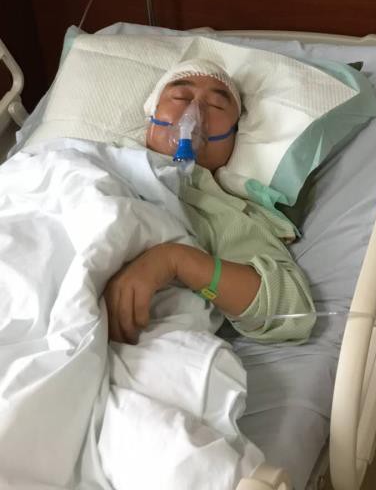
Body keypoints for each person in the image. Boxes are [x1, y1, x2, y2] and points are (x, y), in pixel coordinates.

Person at [103, 60, 316, 346]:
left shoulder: (228, 213)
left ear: (234, 136)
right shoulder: (97, 159)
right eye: (180, 97)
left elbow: (290, 312)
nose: (195, 112)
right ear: (151, 116)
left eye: (216, 106)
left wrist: (175, 260)